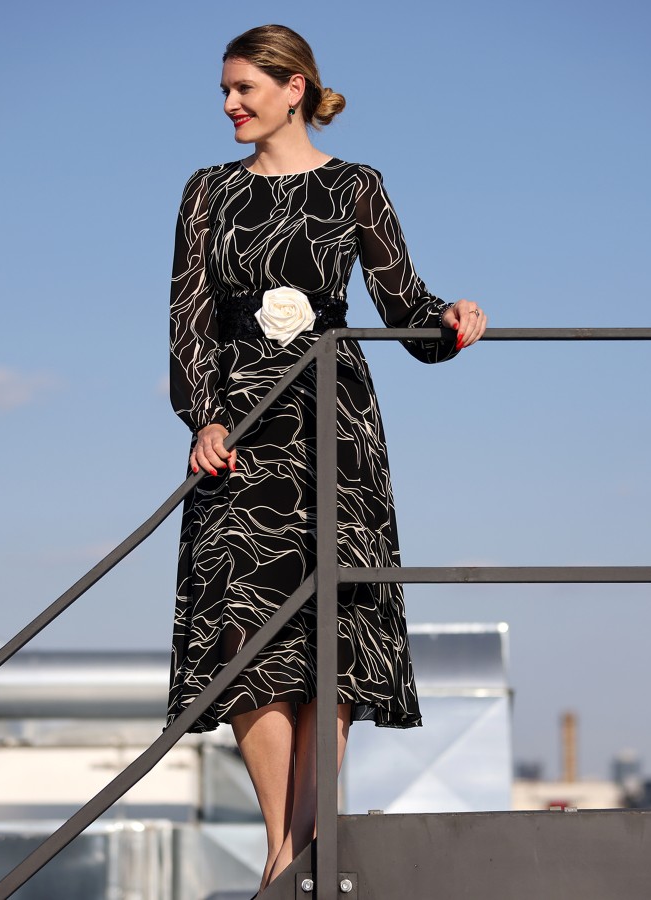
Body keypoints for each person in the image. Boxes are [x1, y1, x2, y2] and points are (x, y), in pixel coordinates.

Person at [166, 24, 487, 894]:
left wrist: (452, 317)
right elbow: (189, 323)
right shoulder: (206, 192)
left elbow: (404, 309)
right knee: (245, 634)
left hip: (331, 426)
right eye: (225, 91)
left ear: (294, 87)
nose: (231, 104)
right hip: (239, 430)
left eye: (245, 89)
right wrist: (202, 420)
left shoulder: (357, 187)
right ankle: (281, 846)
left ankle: (303, 852)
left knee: (326, 636)